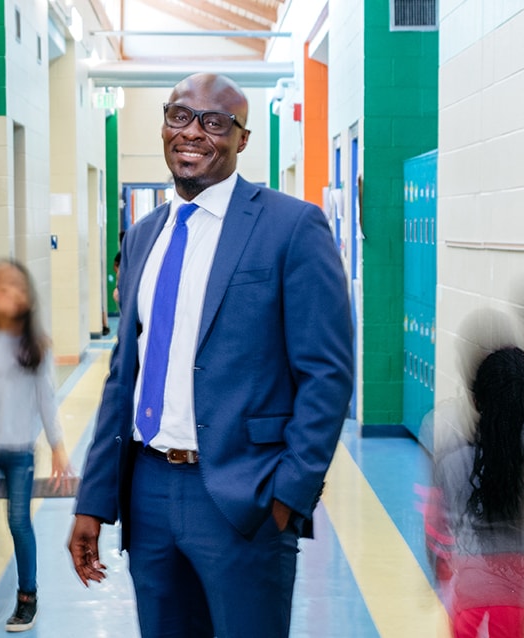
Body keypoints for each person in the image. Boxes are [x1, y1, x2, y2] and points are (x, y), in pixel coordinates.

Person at [67, 72, 354, 636]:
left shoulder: (290, 227)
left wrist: (287, 497)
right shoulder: (143, 235)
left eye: (214, 121)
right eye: (180, 115)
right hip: (147, 490)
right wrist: (93, 498)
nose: (193, 133)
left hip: (242, 497)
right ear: (164, 123)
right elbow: (124, 374)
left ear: (241, 139)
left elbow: (327, 374)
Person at [0, 259, 73, 632]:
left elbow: (47, 398)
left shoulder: (35, 347)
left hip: (19, 449)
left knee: (19, 522)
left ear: (27, 299)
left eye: (15, 287)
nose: (7, 292)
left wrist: (58, 447)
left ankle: (27, 596)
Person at [431, 347, 524, 637]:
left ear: (476, 400)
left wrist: (442, 567)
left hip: (469, 589)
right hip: (520, 593)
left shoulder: (453, 460)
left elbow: (437, 527)